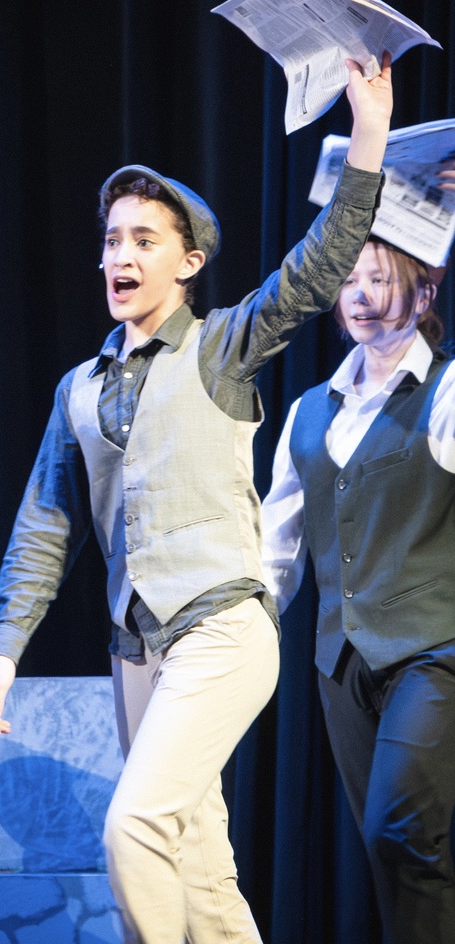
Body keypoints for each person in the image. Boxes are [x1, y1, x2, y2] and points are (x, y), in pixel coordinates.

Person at [0, 55, 393, 944]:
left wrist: (369, 134)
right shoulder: (78, 388)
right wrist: (6, 646)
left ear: (189, 262)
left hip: (221, 628)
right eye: (113, 239)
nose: (121, 256)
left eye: (144, 241)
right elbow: (46, 525)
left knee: (134, 828)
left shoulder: (223, 344)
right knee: (199, 869)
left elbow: (315, 272)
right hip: (137, 648)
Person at [261, 234, 455, 943]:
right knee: (395, 857)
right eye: (349, 282)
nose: (363, 296)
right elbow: (275, 549)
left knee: (399, 830)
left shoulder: (446, 390)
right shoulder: (309, 411)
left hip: (433, 648)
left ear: (425, 292)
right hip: (340, 662)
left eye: (381, 279)